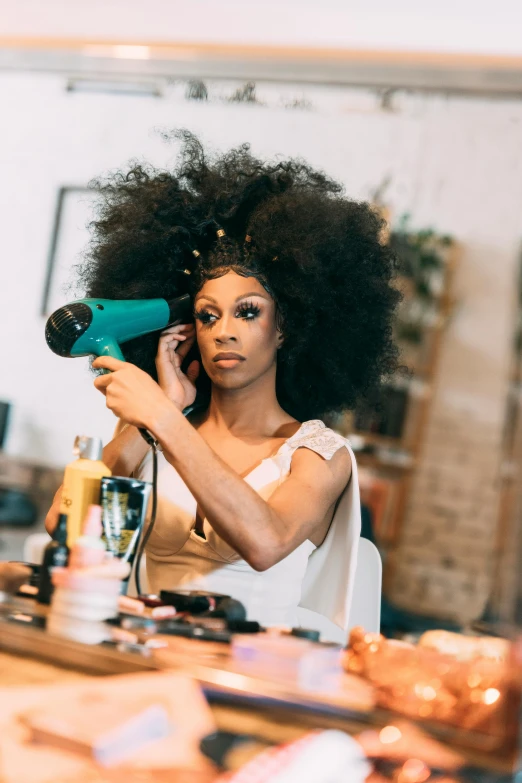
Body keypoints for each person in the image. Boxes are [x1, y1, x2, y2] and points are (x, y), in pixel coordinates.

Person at [46, 132, 399, 628]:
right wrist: (143, 428)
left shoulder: (318, 455)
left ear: (285, 327)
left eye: (248, 312)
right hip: (142, 658)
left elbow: (265, 542)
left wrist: (165, 419)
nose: (223, 332)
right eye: (207, 316)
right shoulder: (156, 429)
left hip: (252, 680)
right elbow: (63, 527)